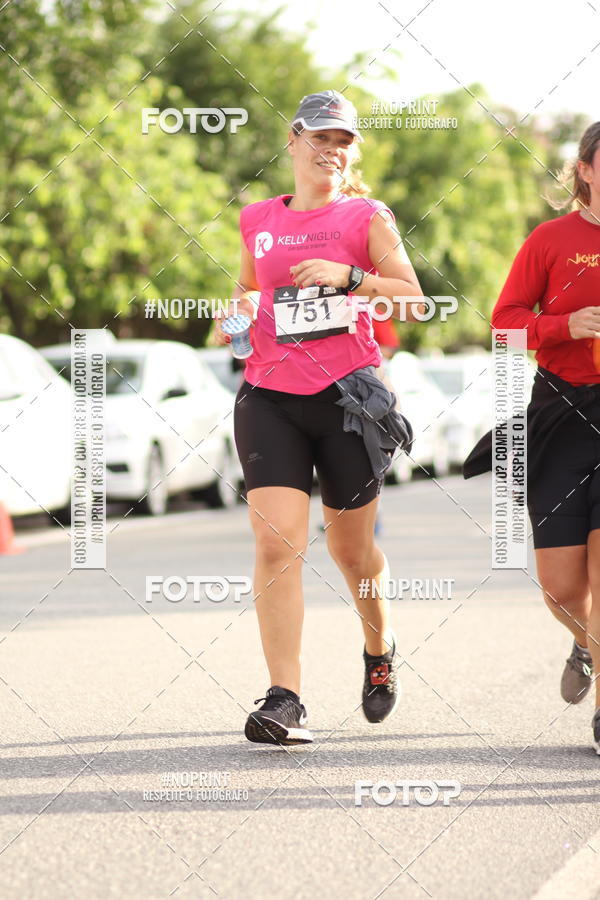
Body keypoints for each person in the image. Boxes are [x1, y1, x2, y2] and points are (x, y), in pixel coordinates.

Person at [214, 89, 424, 745]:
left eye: (343, 141)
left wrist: (350, 277)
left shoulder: (366, 217)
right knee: (276, 543)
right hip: (268, 395)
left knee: (351, 551)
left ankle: (379, 647)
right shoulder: (257, 219)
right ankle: (285, 698)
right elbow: (250, 287)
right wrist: (237, 313)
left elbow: (414, 300)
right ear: (293, 140)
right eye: (320, 137)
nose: (331, 150)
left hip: (346, 402)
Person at [464, 121, 600, 753]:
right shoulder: (550, 240)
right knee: (562, 587)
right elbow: (504, 325)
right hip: (560, 415)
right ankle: (584, 640)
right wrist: (563, 325)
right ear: (586, 170)